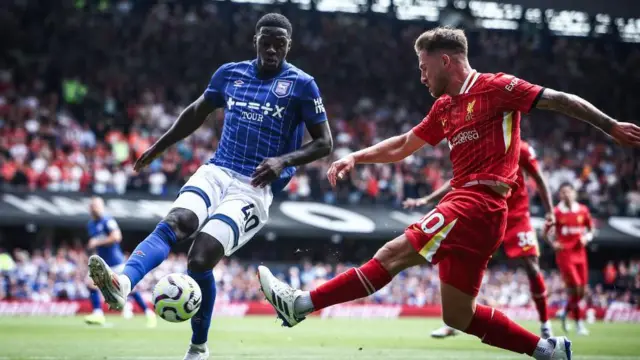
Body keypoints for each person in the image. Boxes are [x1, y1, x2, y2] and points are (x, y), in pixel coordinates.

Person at [258, 27, 640, 360]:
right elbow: (405, 143)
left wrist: (610, 127)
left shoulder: (496, 87)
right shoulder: (444, 107)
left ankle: (300, 304)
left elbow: (559, 99)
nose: (421, 77)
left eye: (424, 68)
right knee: (458, 316)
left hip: (479, 201)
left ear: (445, 61)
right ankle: (549, 351)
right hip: (473, 208)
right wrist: (357, 156)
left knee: (392, 254)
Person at [88, 13, 332, 360]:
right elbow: (197, 111)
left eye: (280, 43)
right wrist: (159, 146)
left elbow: (325, 143)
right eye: (267, 41)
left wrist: (284, 161)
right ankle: (123, 283)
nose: (273, 49)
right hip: (218, 169)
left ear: (288, 45)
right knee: (177, 222)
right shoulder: (230, 73)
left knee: (200, 259)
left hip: (254, 186)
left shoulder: (302, 84)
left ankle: (198, 346)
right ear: (256, 40)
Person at [404, 140, 555, 339]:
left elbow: (539, 178)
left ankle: (545, 324)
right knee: (462, 261)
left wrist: (550, 212)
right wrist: (426, 200)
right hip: (486, 213)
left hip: (517, 217)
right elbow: (457, 180)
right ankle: (454, 322)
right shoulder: (482, 145)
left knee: (532, 266)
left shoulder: (522, 149)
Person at [83, 196, 157, 328]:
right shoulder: (91, 225)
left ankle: (148, 312)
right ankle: (98, 314)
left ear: (101, 207)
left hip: (116, 262)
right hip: (103, 262)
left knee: (129, 289)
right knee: (90, 284)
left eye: (97, 206)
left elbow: (117, 237)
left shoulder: (107, 220)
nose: (95, 208)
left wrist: (97, 242)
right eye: (93, 206)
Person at [547, 183, 594, 335]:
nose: (566, 194)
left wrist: (587, 237)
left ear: (574, 193)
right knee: (576, 288)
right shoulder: (556, 212)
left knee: (581, 291)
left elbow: (591, 229)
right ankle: (579, 323)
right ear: (560, 195)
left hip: (580, 254)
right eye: (563, 192)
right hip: (565, 255)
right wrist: (553, 243)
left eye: (569, 191)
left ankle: (565, 311)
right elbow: (545, 232)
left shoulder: (583, 210)